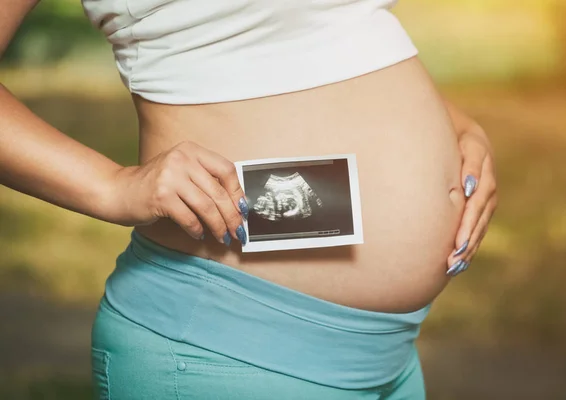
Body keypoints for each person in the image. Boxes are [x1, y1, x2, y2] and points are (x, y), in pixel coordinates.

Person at [1, 1, 497, 399]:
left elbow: (324, 35)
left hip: (391, 356)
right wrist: (112, 185)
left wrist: (452, 127)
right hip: (226, 351)